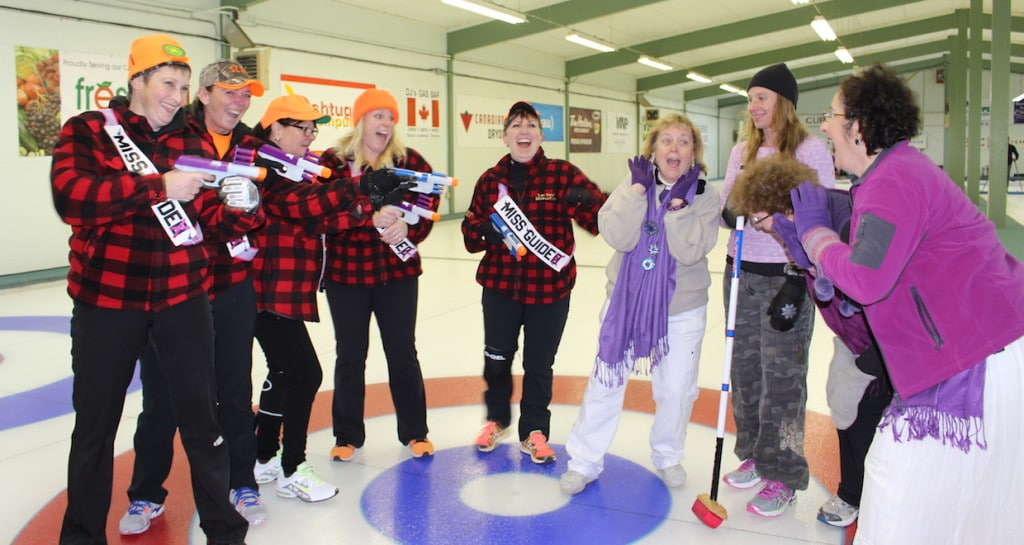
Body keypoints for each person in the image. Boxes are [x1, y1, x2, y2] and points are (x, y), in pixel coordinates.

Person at [791, 62, 1024, 545]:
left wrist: (816, 238)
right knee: (962, 498)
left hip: (976, 360)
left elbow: (868, 278)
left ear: (858, 128)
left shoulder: (893, 180)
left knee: (896, 488)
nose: (826, 126)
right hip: (973, 351)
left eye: (833, 116)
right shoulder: (893, 173)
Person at [51, 34, 260, 545]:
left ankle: (224, 529)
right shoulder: (90, 131)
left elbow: (206, 216)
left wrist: (240, 208)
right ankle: (81, 535)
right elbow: (72, 198)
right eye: (168, 82)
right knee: (95, 428)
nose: (176, 94)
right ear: (137, 80)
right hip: (107, 299)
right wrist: (157, 187)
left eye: (185, 86)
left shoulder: (191, 138)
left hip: (182, 298)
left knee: (201, 420)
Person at [117, 59, 269, 535]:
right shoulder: (172, 138)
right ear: (202, 95)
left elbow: (275, 203)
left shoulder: (253, 145)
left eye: (245, 94)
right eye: (229, 91)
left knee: (232, 387)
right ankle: (146, 494)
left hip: (231, 287)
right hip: (175, 288)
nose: (239, 102)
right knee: (162, 397)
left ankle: (241, 482)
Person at [729, 154, 893, 528]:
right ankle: (855, 492)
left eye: (761, 219)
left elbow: (861, 277)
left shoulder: (841, 218)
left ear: (782, 206)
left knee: (866, 410)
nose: (761, 228)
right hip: (857, 337)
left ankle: (866, 498)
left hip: (887, 335)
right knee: (844, 399)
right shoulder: (802, 221)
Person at [559, 113, 719, 494]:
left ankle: (667, 454)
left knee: (677, 389)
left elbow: (693, 249)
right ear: (653, 149)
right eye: (666, 140)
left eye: (684, 141)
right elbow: (615, 234)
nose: (674, 148)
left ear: (694, 151)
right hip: (625, 303)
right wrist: (634, 193)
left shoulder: (704, 195)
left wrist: (678, 209)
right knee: (605, 382)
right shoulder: (634, 184)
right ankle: (583, 460)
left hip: (680, 309)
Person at [718, 62, 835, 517]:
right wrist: (732, 213)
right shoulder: (742, 151)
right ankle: (754, 454)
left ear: (783, 102)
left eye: (761, 98)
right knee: (746, 376)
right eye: (749, 99)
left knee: (782, 380)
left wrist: (794, 266)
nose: (753, 106)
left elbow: (821, 216)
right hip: (740, 273)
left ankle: (783, 473)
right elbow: (729, 204)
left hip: (786, 276)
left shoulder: (810, 149)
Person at [461, 100, 606, 464]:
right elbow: (468, 232)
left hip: (549, 290)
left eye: (530, 126)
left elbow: (599, 217)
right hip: (499, 288)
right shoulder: (490, 181)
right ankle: (496, 420)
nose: (522, 132)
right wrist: (486, 233)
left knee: (539, 364)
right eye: (515, 126)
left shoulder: (563, 175)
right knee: (496, 358)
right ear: (505, 136)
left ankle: (535, 431)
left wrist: (615, 200)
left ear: (541, 136)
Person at [248, 94, 375, 502]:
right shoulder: (263, 170)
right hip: (266, 289)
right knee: (305, 374)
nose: (308, 136)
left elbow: (317, 216)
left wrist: (364, 209)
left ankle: (264, 454)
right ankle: (291, 466)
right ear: (274, 128)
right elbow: (301, 205)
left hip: (280, 289)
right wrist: (360, 187)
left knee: (283, 372)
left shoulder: (289, 167)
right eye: (301, 128)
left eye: (312, 128)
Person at [321, 88, 439, 461]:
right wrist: (366, 218)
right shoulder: (334, 162)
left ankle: (415, 432)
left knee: (402, 352)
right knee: (350, 355)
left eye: (389, 118)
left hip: (396, 274)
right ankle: (347, 435)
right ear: (360, 121)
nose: (385, 124)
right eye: (378, 116)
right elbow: (324, 212)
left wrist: (409, 226)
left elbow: (430, 199)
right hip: (347, 275)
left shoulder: (408, 161)